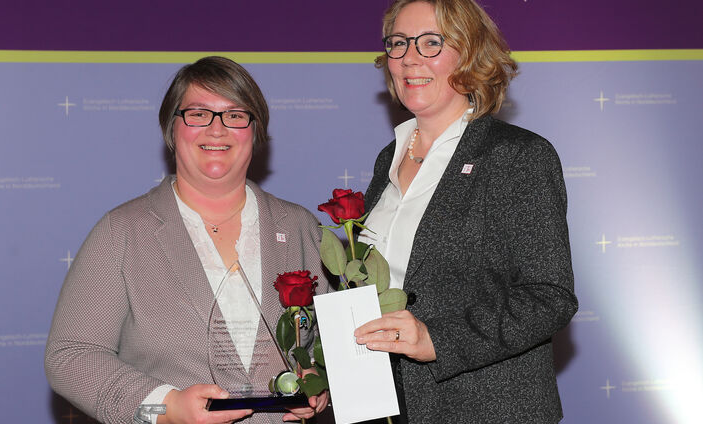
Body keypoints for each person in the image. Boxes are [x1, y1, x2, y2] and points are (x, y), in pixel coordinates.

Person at [45, 56, 329, 424]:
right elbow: (71, 357)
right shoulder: (121, 233)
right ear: (171, 128)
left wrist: (320, 381)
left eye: (235, 115)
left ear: (255, 130)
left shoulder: (301, 227)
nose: (217, 129)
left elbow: (332, 344)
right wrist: (165, 408)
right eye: (198, 114)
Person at [353, 1, 578, 422]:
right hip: (391, 406)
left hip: (489, 410)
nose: (409, 58)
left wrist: (436, 339)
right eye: (398, 43)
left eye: (430, 42)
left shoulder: (517, 156)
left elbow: (550, 297)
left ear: (470, 53)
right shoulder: (389, 158)